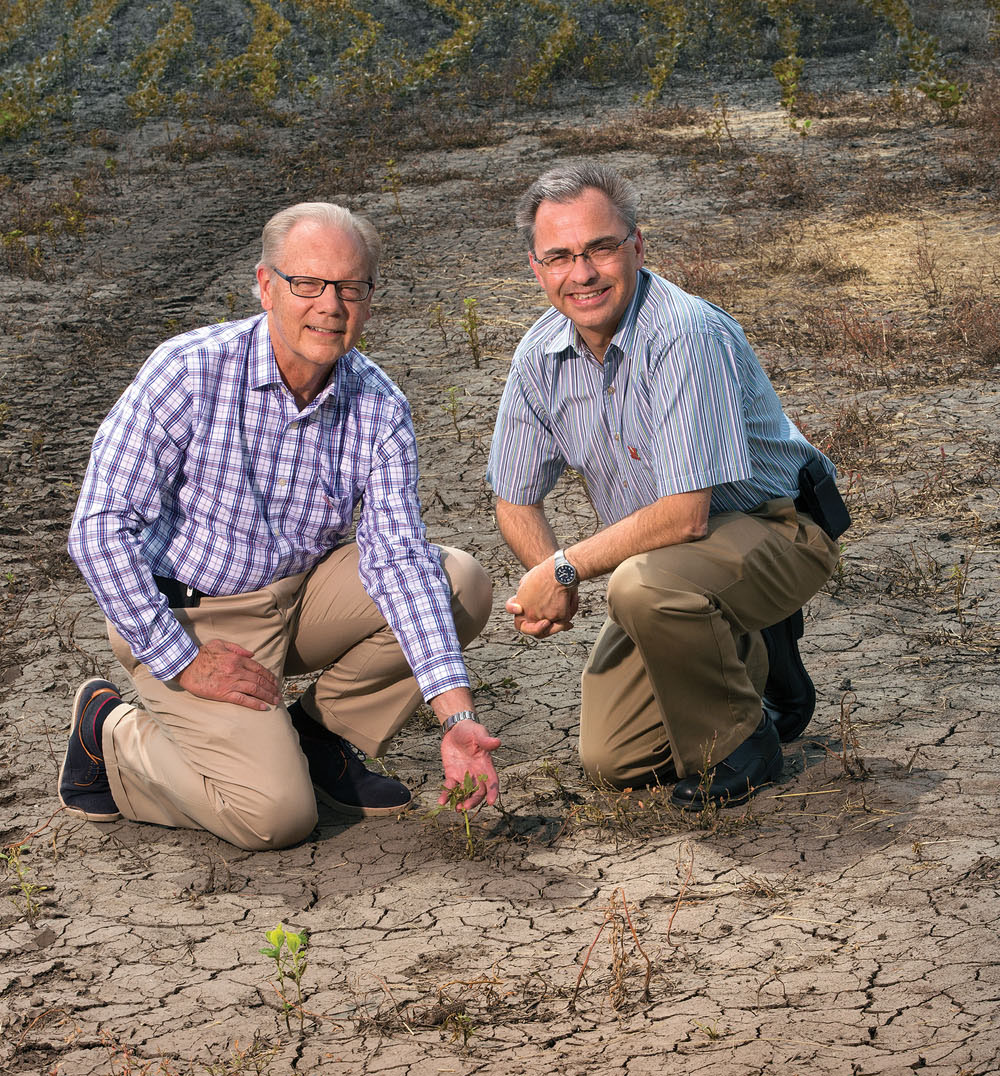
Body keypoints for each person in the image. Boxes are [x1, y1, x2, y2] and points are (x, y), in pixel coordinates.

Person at [60, 201, 500, 851]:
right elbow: (97, 529)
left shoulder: (379, 406)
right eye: (308, 284)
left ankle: (320, 740)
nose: (331, 305)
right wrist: (183, 661)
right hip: (188, 617)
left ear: (370, 298)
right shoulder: (189, 371)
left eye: (351, 287)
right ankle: (109, 735)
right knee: (275, 818)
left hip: (296, 601)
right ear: (266, 286)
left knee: (458, 580)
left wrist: (456, 718)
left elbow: (398, 563)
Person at [487, 163, 844, 809]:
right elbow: (513, 495)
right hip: (675, 567)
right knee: (615, 761)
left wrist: (564, 572)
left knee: (642, 586)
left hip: (778, 526)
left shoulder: (684, 332)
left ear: (637, 247)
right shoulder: (537, 355)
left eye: (601, 247)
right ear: (536, 269)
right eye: (560, 256)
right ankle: (758, 646)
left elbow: (684, 516)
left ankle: (745, 744)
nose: (583, 272)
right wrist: (546, 572)